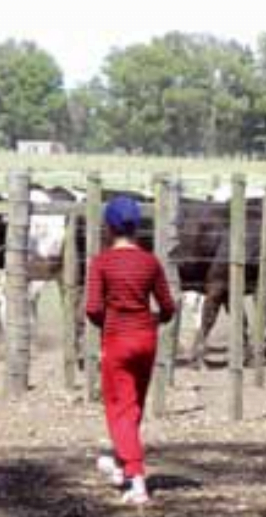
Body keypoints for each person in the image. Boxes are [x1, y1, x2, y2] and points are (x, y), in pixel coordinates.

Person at [85, 195, 176, 505]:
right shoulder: (150, 262)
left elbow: (93, 308)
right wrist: (153, 320)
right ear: (137, 227)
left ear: (109, 227)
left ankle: (137, 480)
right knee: (134, 405)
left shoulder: (102, 263)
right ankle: (122, 464)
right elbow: (168, 306)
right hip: (146, 341)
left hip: (117, 340)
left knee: (119, 407)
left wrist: (109, 324)